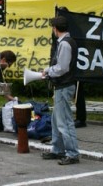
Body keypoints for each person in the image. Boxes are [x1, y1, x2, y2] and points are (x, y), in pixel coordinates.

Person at [40, 16, 80, 165]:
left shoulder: (64, 44)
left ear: (55, 29)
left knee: (64, 121)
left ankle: (72, 153)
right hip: (62, 86)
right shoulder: (68, 42)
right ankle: (58, 150)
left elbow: (62, 68)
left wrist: (47, 71)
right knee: (56, 120)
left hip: (64, 86)